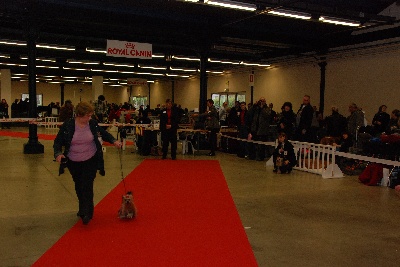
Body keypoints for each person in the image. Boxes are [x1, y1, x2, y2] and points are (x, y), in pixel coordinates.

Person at [53, 102, 122, 225]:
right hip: (73, 161)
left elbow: (103, 133)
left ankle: (87, 212)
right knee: (79, 185)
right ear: (80, 115)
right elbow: (58, 142)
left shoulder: (92, 124)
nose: (90, 118)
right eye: (88, 116)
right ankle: (82, 208)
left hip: (91, 159)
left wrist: (114, 141)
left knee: (87, 185)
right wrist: (58, 154)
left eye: (91, 115)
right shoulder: (68, 125)